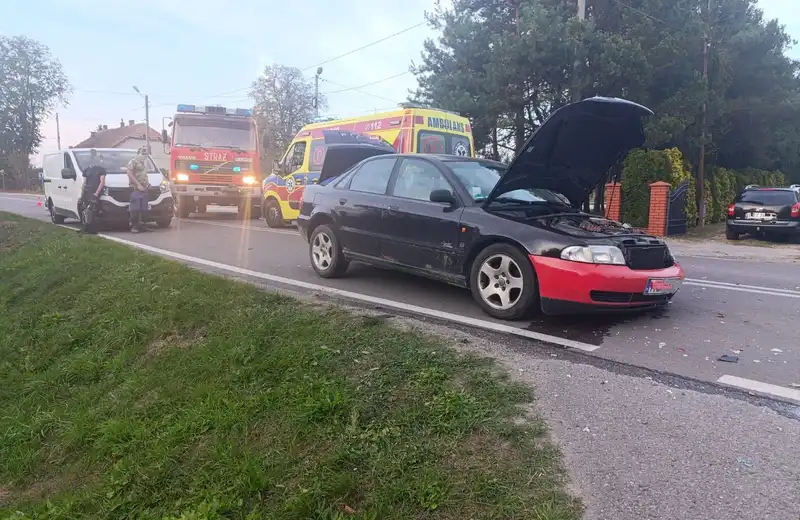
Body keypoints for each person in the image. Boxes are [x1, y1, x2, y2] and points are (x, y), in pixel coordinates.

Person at [79, 149, 107, 234]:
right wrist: (82, 192)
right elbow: (84, 182)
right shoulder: (86, 170)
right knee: (85, 209)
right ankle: (86, 227)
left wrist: (96, 193)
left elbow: (102, 182)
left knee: (92, 210)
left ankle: (92, 229)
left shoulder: (101, 169)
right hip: (87, 191)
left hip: (94, 191)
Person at [126, 146, 151, 233]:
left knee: (144, 208)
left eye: (145, 154)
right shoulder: (133, 161)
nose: (144, 155)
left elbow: (143, 174)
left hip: (144, 188)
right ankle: (134, 226)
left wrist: (147, 184)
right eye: (143, 153)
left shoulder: (144, 162)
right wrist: (138, 184)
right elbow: (129, 173)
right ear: (138, 153)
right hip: (136, 188)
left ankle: (142, 226)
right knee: (135, 208)